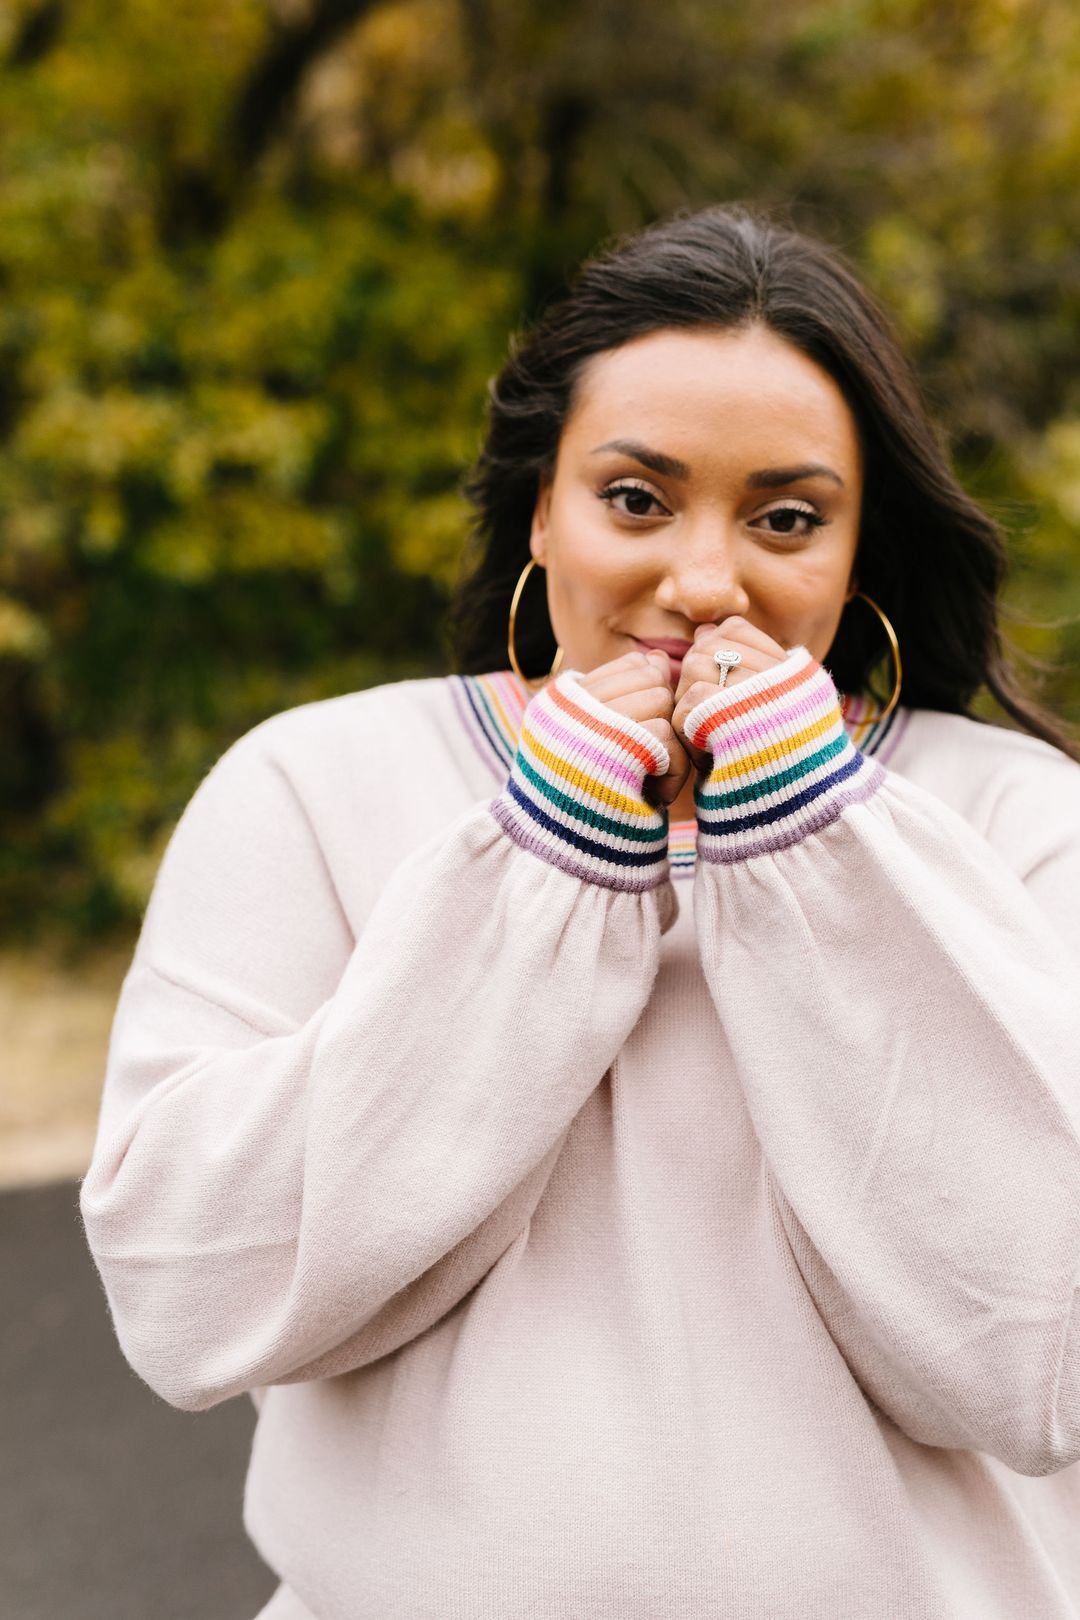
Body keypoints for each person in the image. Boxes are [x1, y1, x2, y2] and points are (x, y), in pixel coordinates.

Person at [79, 202, 1080, 1620]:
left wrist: (817, 843)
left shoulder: (1018, 823)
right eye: (636, 498)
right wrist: (542, 866)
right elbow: (193, 1300)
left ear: (859, 553)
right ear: (541, 509)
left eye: (786, 518)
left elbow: (1039, 1352)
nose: (703, 581)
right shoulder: (313, 786)